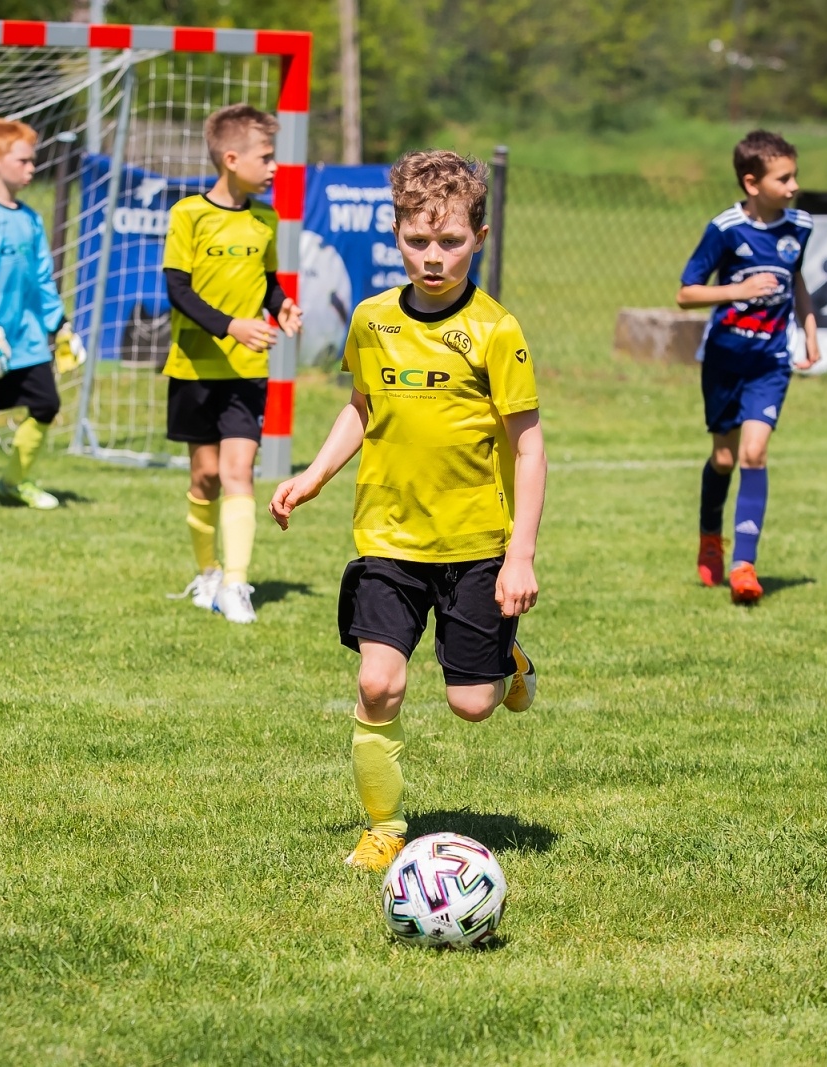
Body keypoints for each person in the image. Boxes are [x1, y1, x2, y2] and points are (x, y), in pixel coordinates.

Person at [269, 151, 544, 872]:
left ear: (478, 239)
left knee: (473, 705)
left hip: (476, 543)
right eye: (418, 241)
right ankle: (385, 826)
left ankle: (506, 656)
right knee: (377, 682)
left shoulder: (496, 330)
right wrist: (316, 473)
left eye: (450, 241)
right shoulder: (372, 320)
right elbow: (361, 407)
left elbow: (530, 448)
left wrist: (520, 555)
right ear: (396, 234)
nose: (433, 257)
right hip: (388, 540)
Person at [163, 104, 302, 624]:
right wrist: (231, 325)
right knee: (205, 478)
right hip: (194, 369)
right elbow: (178, 289)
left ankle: (238, 585)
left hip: (247, 371)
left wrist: (281, 306)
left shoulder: (267, 219)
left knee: (239, 471)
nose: (273, 168)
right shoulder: (188, 215)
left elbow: (267, 284)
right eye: (265, 157)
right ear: (230, 158)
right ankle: (208, 573)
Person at [676, 130, 821, 603]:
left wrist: (811, 331)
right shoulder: (725, 230)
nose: (795, 185)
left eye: (795, 174)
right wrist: (737, 290)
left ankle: (745, 566)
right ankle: (709, 538)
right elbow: (686, 294)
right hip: (724, 358)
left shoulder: (799, 226)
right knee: (723, 458)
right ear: (752, 183)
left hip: (771, 361)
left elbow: (797, 281)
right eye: (785, 178)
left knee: (753, 454)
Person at [0, 118, 84, 516]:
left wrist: (59, 324)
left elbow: (43, 278)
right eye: (24, 161)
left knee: (46, 404)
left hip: (26, 339)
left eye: (33, 160)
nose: (32, 168)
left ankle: (13, 481)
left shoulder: (30, 218)